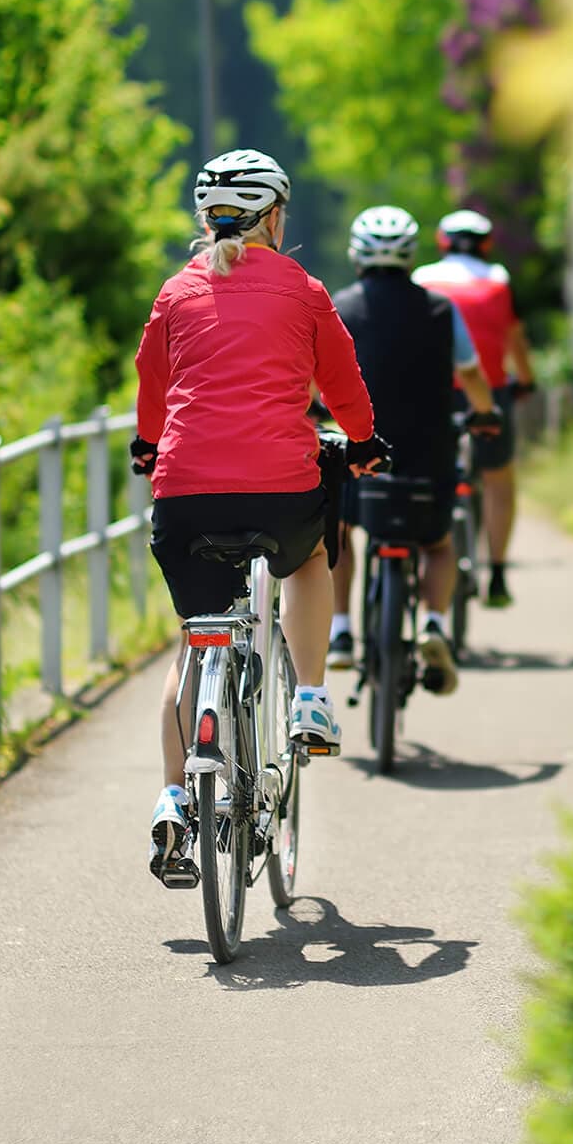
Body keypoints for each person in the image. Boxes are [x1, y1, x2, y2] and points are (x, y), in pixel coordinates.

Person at [133, 149, 387, 887]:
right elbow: (343, 382)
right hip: (280, 487)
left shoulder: (176, 291)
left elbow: (152, 386)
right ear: (274, 217)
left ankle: (175, 796)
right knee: (309, 558)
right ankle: (309, 696)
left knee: (195, 641)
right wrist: (364, 442)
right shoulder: (304, 290)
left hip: (185, 496)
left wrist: (149, 445)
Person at [326, 206, 500, 694]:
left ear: (356, 255)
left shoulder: (340, 307)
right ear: (409, 257)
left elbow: (318, 376)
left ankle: (341, 631)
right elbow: (470, 374)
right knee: (438, 542)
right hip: (428, 450)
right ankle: (434, 623)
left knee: (338, 531)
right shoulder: (441, 309)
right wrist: (486, 413)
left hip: (360, 450)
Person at [413, 209, 537, 608]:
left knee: (424, 472)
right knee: (499, 480)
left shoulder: (423, 278)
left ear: (443, 242)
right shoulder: (499, 280)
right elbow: (514, 338)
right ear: (486, 244)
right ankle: (497, 573)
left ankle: (416, 562)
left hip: (433, 391)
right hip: (487, 390)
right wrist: (526, 379)